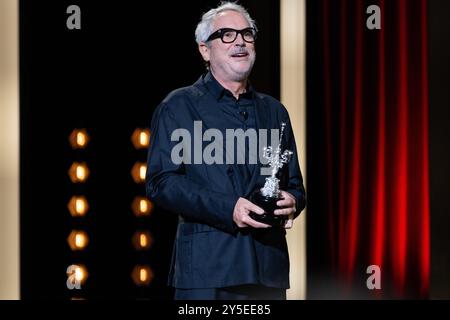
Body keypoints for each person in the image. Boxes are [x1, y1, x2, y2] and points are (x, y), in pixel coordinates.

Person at [146, 1, 306, 300]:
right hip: (209, 270)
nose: (241, 41)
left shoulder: (274, 111)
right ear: (204, 50)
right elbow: (161, 183)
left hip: (267, 269)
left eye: (247, 33)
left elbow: (295, 184)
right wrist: (228, 207)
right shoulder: (179, 106)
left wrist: (292, 199)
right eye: (228, 35)